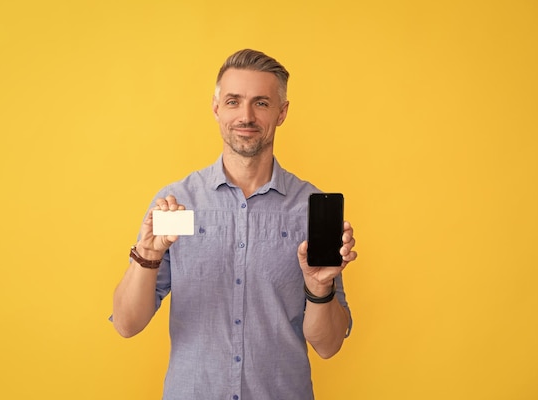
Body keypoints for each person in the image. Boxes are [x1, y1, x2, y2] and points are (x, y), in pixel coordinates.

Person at [112, 49, 357, 400]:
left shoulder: (309, 209)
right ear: (216, 109)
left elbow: (329, 345)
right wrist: (147, 256)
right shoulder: (178, 204)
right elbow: (126, 324)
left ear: (282, 112)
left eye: (261, 103)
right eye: (233, 101)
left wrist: (319, 290)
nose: (246, 116)